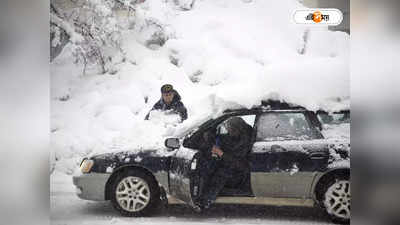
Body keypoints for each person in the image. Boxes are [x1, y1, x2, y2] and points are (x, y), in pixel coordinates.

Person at [197, 116, 253, 209]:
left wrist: (221, 153)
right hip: (235, 168)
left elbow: (239, 164)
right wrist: (210, 134)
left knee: (221, 175)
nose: (228, 131)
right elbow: (226, 140)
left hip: (243, 175)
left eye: (230, 129)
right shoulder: (240, 135)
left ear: (237, 128)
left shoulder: (245, 141)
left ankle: (205, 201)